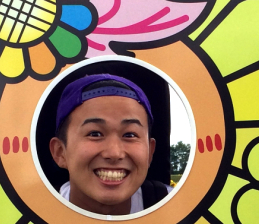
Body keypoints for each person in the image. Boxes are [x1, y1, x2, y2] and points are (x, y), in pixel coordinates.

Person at [49, 73, 171, 216]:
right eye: (95, 134)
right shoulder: (34, 214)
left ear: (150, 152)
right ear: (60, 152)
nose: (114, 153)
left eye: (130, 135)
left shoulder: (182, 211)